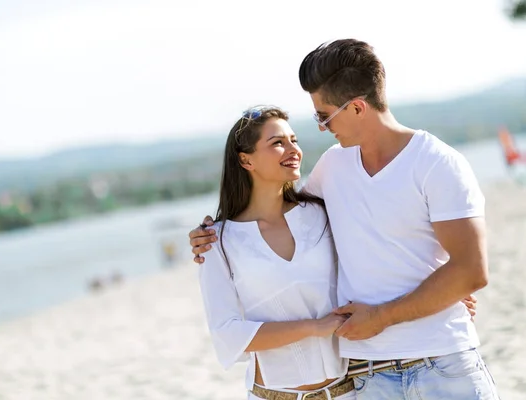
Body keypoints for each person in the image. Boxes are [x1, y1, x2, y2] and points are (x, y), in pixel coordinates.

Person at [190, 39, 499, 399]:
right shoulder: (332, 168)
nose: (320, 128)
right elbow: (275, 207)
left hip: (444, 365)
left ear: (355, 108)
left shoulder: (437, 163)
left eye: (324, 116)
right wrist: (208, 235)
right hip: (366, 379)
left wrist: (395, 311)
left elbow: (471, 272)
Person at [198, 106, 356, 399]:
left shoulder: (321, 212)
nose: (293, 149)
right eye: (277, 143)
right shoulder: (216, 242)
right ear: (246, 160)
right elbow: (228, 334)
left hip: (350, 392)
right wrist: (314, 327)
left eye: (294, 139)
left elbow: (377, 247)